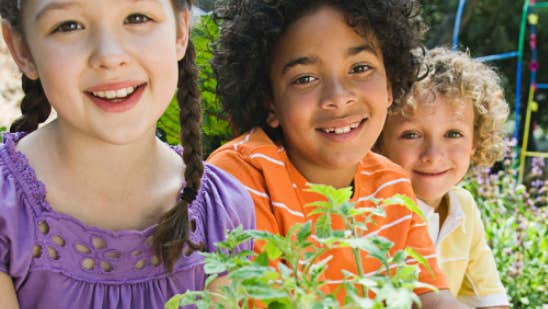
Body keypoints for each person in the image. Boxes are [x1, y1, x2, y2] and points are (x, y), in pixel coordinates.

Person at [208, 1, 465, 307]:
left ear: (390, 86)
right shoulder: (239, 176)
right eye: (305, 78)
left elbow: (433, 297)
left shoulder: (393, 184)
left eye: (359, 68)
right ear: (270, 102)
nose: (338, 97)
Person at [0, 0, 254, 308]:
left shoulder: (223, 212)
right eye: (68, 26)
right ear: (22, 50)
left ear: (181, 32)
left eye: (137, 18)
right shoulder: (7, 207)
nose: (110, 56)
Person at [376, 47, 510, 308]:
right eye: (411, 135)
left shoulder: (464, 208)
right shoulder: (379, 208)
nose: (433, 155)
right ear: (379, 141)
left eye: (453, 134)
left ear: (475, 141)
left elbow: (492, 300)